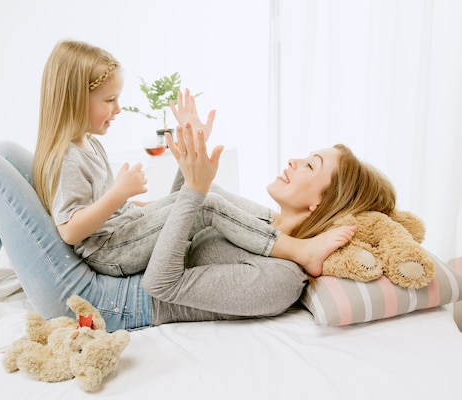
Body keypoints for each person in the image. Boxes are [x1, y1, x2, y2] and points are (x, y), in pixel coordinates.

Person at [0, 40, 398, 337]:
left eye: (309, 163)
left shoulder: (279, 279)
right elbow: (178, 219)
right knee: (4, 152)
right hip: (106, 263)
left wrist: (193, 191)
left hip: (98, 300)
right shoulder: (261, 222)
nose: (292, 159)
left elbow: (162, 285)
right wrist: (186, 161)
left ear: (320, 201)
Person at [32, 40, 351, 278]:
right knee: (205, 203)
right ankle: (299, 250)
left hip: (126, 230)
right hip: (112, 251)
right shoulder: (68, 159)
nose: (117, 109)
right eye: (110, 100)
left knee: (204, 195)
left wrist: (151, 201)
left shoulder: (90, 145)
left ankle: (273, 224)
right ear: (74, 99)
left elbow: (117, 210)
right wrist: (119, 193)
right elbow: (70, 232)